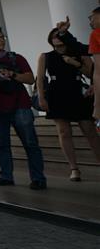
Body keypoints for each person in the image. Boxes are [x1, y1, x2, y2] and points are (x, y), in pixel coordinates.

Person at [0, 27, 46, 189]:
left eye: (2, 37)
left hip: (20, 106)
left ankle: (38, 178)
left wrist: (12, 74)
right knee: (1, 145)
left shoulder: (16, 58)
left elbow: (30, 79)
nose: (2, 40)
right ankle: (6, 176)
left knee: (30, 143)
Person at [36, 28, 100, 180]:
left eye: (59, 36)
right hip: (56, 94)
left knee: (90, 131)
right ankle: (74, 168)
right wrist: (41, 97)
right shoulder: (45, 56)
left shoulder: (79, 52)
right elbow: (39, 78)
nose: (56, 38)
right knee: (64, 132)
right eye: (53, 36)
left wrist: (74, 63)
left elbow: (91, 74)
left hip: (79, 93)